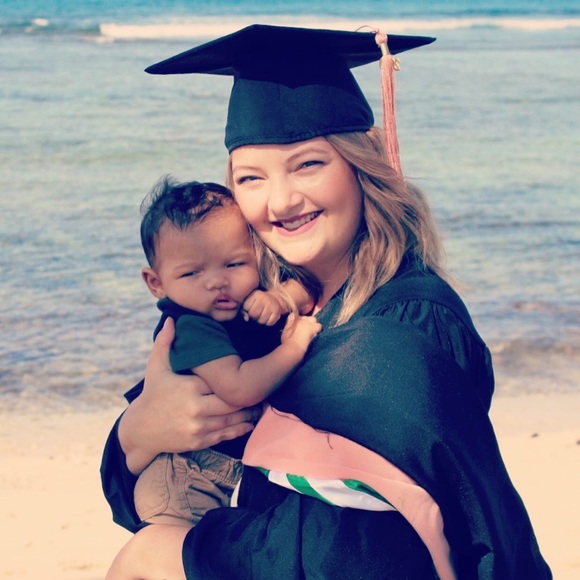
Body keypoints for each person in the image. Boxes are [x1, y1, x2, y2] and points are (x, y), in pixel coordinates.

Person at [102, 24, 552, 579]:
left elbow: (368, 552)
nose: (280, 202)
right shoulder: (258, 310)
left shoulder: (407, 324)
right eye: (251, 178)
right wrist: (137, 432)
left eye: (308, 164)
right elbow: (154, 487)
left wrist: (175, 552)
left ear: (362, 165)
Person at [134, 176, 321, 528]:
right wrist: (295, 346)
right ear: (156, 283)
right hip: (190, 476)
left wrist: (280, 299)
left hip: (232, 465)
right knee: (186, 549)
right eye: (191, 273)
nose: (217, 281)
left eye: (234, 264)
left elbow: (309, 292)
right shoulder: (190, 327)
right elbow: (241, 387)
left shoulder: (249, 295)